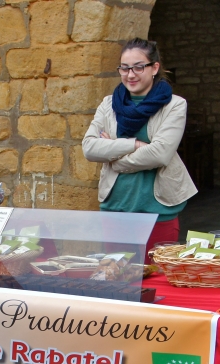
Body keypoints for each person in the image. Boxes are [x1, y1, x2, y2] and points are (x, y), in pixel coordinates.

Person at [82, 37, 197, 259]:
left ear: (154, 68)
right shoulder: (108, 105)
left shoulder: (174, 105)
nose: (130, 75)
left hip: (158, 210)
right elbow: (89, 148)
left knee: (158, 281)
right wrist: (132, 144)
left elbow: (160, 153)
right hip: (116, 208)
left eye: (138, 67)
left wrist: (114, 157)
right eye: (124, 68)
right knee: (118, 279)